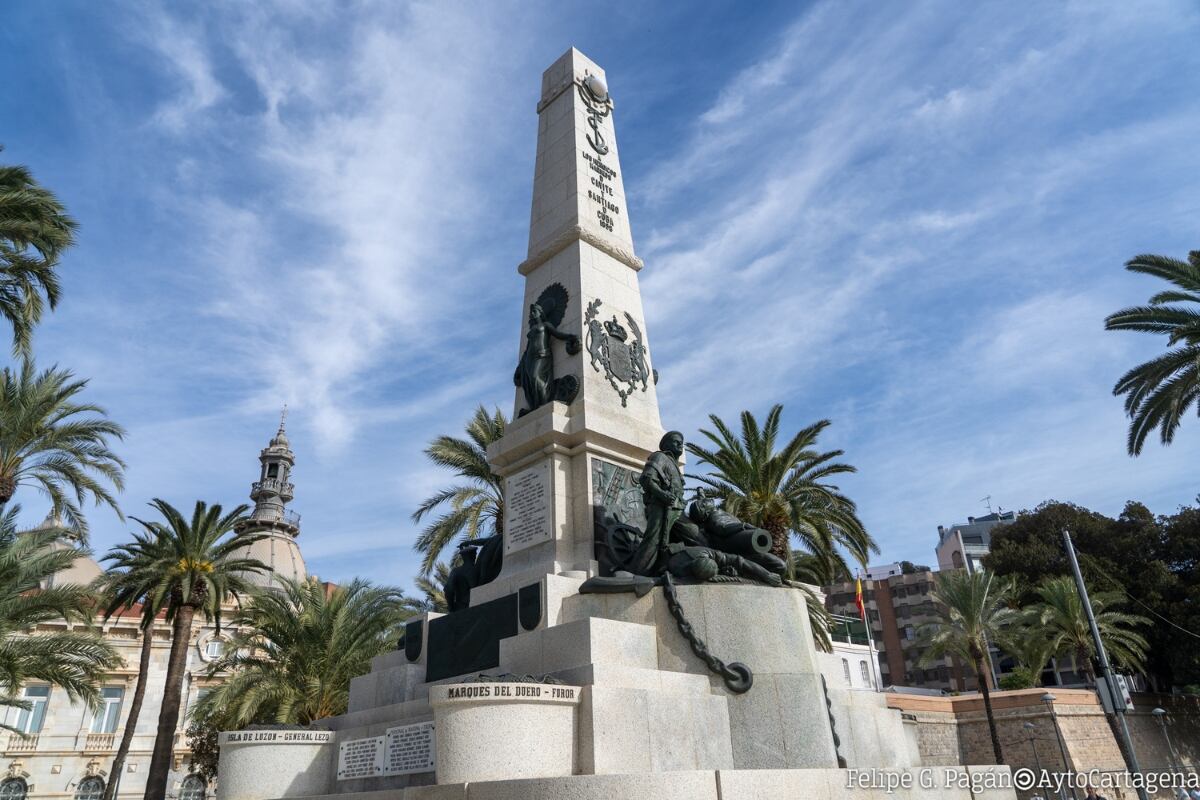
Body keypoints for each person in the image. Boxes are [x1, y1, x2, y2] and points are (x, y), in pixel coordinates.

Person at [624, 431, 685, 576]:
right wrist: (662, 495)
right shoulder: (660, 457)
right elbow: (646, 479)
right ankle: (635, 574)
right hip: (661, 507)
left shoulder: (674, 465)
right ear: (666, 445)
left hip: (677, 510)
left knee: (693, 533)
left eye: (681, 442)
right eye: (676, 441)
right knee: (653, 540)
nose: (680, 444)